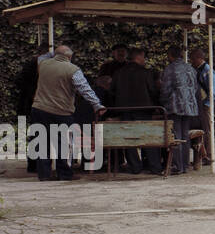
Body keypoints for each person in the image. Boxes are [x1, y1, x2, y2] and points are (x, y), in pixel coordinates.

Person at [30, 45, 104, 181]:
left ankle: (44, 175)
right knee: (64, 144)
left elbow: (43, 56)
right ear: (69, 57)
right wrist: (97, 105)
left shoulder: (43, 64)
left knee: (42, 142)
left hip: (39, 109)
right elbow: (84, 89)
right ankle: (64, 174)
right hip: (62, 112)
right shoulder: (73, 70)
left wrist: (55, 52)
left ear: (55, 55)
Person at [109, 48, 162, 175]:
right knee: (149, 138)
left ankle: (135, 167)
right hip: (144, 109)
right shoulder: (146, 73)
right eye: (143, 57)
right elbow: (153, 91)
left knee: (129, 138)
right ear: (138, 57)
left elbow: (112, 91)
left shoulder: (118, 73)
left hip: (124, 109)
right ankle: (155, 166)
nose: (145, 60)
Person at [160, 45, 199, 175]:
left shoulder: (170, 69)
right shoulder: (191, 69)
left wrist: (163, 102)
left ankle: (178, 166)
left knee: (176, 136)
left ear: (170, 55)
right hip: (189, 106)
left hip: (175, 106)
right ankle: (186, 165)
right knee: (185, 135)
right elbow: (195, 88)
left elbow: (165, 90)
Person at [188, 48, 215, 167]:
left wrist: (206, 104)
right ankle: (201, 155)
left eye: (192, 59)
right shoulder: (196, 69)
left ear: (199, 58)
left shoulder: (207, 70)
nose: (191, 61)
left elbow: (212, 90)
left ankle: (207, 155)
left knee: (206, 130)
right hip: (198, 104)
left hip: (204, 105)